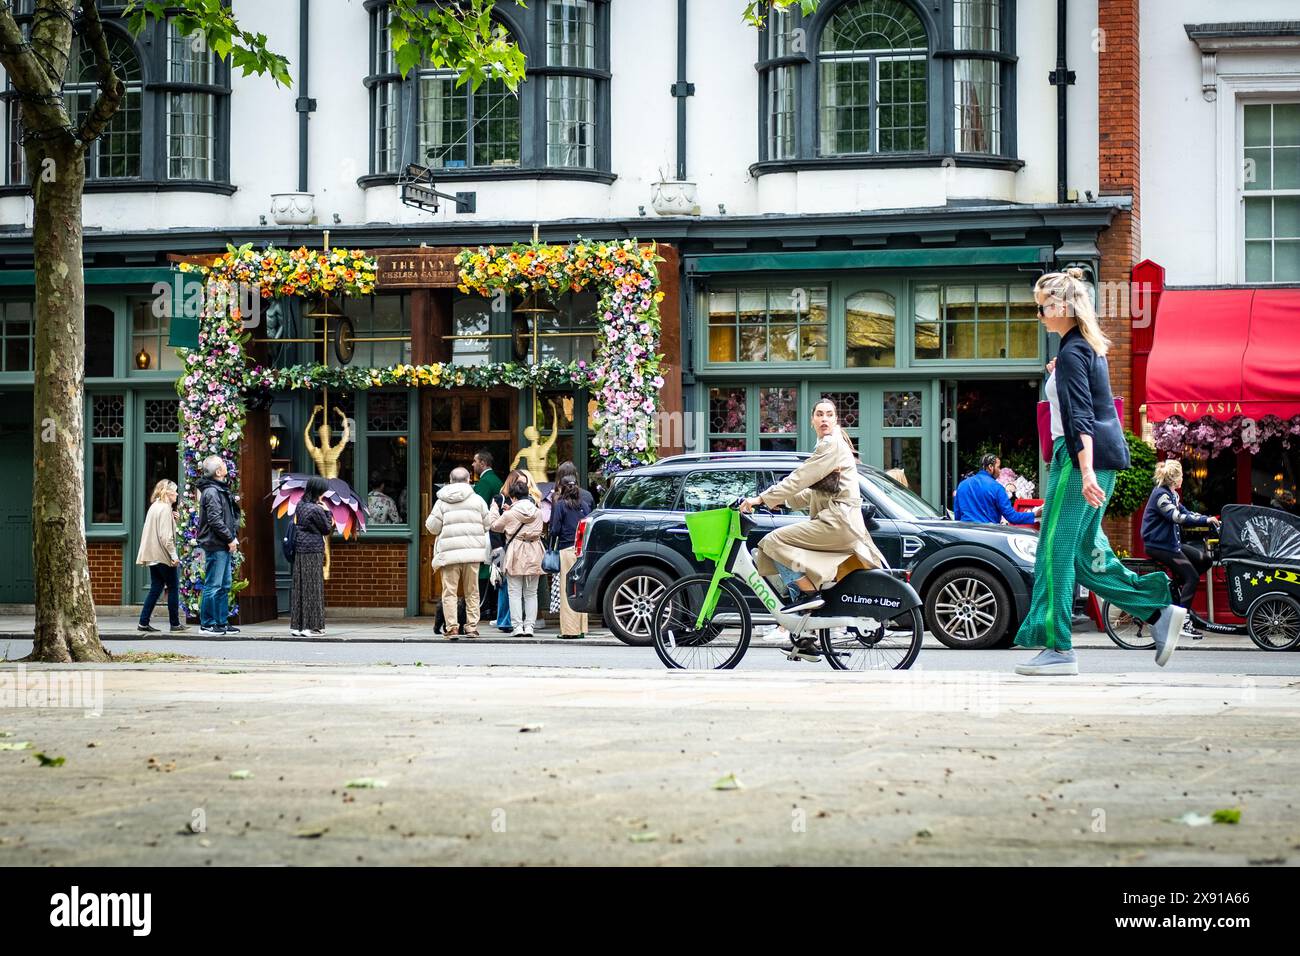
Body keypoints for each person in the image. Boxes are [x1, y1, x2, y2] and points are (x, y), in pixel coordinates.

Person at [1014, 269, 1186, 676]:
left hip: (1077, 460)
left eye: (1042, 307)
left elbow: (1081, 418)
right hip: (1092, 459)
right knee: (1087, 555)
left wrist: (1085, 471)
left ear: (1063, 306)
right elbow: (1084, 405)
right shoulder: (1084, 348)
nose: (1039, 314)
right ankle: (1159, 613)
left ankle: (1058, 649)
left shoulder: (1075, 352)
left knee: (1054, 551)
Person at [740, 398, 886, 656]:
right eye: (819, 414)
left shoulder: (830, 445)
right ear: (812, 420)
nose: (824, 419)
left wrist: (761, 499)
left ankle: (809, 595)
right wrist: (782, 502)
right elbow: (814, 492)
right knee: (787, 554)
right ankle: (805, 629)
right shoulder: (828, 447)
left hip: (837, 522)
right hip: (838, 521)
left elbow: (801, 477)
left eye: (829, 414)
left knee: (772, 543)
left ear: (836, 420)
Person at [1141, 460, 1219, 637]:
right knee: (1192, 577)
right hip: (1159, 545)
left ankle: (1176, 590)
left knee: (1205, 560)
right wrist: (1203, 520)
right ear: (1175, 479)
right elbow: (1176, 517)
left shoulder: (1172, 495)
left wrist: (1208, 518)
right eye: (1182, 475)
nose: (1183, 478)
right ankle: (1182, 622)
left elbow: (1187, 512)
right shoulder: (1161, 495)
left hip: (1171, 543)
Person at [426, 466, 492, 640]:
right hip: (473, 553)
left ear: (450, 480)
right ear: (469, 479)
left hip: (449, 554)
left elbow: (432, 528)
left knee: (449, 592)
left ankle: (452, 628)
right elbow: (488, 524)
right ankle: (471, 627)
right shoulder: (478, 500)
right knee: (473, 591)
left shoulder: (442, 501)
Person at [488, 469, 542, 632]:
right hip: (534, 550)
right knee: (532, 593)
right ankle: (530, 627)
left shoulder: (510, 513)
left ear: (512, 497)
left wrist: (494, 509)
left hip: (515, 551)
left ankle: (518, 627)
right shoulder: (538, 512)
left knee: (514, 592)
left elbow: (494, 526)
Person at [196, 455, 241, 636]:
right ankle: (207, 624)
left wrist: (230, 539)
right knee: (213, 585)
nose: (226, 466)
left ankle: (221, 622)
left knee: (224, 585)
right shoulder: (212, 492)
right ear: (218, 471)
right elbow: (215, 520)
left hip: (221, 543)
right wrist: (230, 539)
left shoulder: (218, 489)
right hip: (216, 544)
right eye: (223, 465)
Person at [136, 479, 185, 633]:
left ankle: (143, 622)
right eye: (174, 490)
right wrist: (174, 555)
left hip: (153, 555)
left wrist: (173, 520)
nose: (177, 493)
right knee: (173, 587)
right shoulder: (165, 508)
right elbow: (166, 537)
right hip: (164, 556)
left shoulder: (155, 507)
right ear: (167, 492)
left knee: (155, 588)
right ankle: (175, 623)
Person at [290, 475, 335, 637]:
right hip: (313, 549)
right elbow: (327, 528)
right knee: (313, 587)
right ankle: (311, 626)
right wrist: (327, 511)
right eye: (323, 491)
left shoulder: (301, 505)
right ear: (318, 491)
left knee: (300, 585)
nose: (324, 494)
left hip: (301, 547)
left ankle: (297, 626)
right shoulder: (316, 509)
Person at [550, 474, 594, 640]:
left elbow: (555, 529)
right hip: (581, 550)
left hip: (566, 549)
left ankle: (569, 630)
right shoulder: (584, 505)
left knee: (566, 590)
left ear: (561, 487)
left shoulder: (561, 505)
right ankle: (582, 628)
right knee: (580, 589)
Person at [954, 454, 1042, 525]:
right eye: (998, 467)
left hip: (965, 536)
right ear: (990, 467)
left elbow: (957, 516)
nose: (1000, 471)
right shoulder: (997, 488)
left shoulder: (962, 485)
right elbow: (1012, 517)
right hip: (987, 536)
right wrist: (1034, 514)